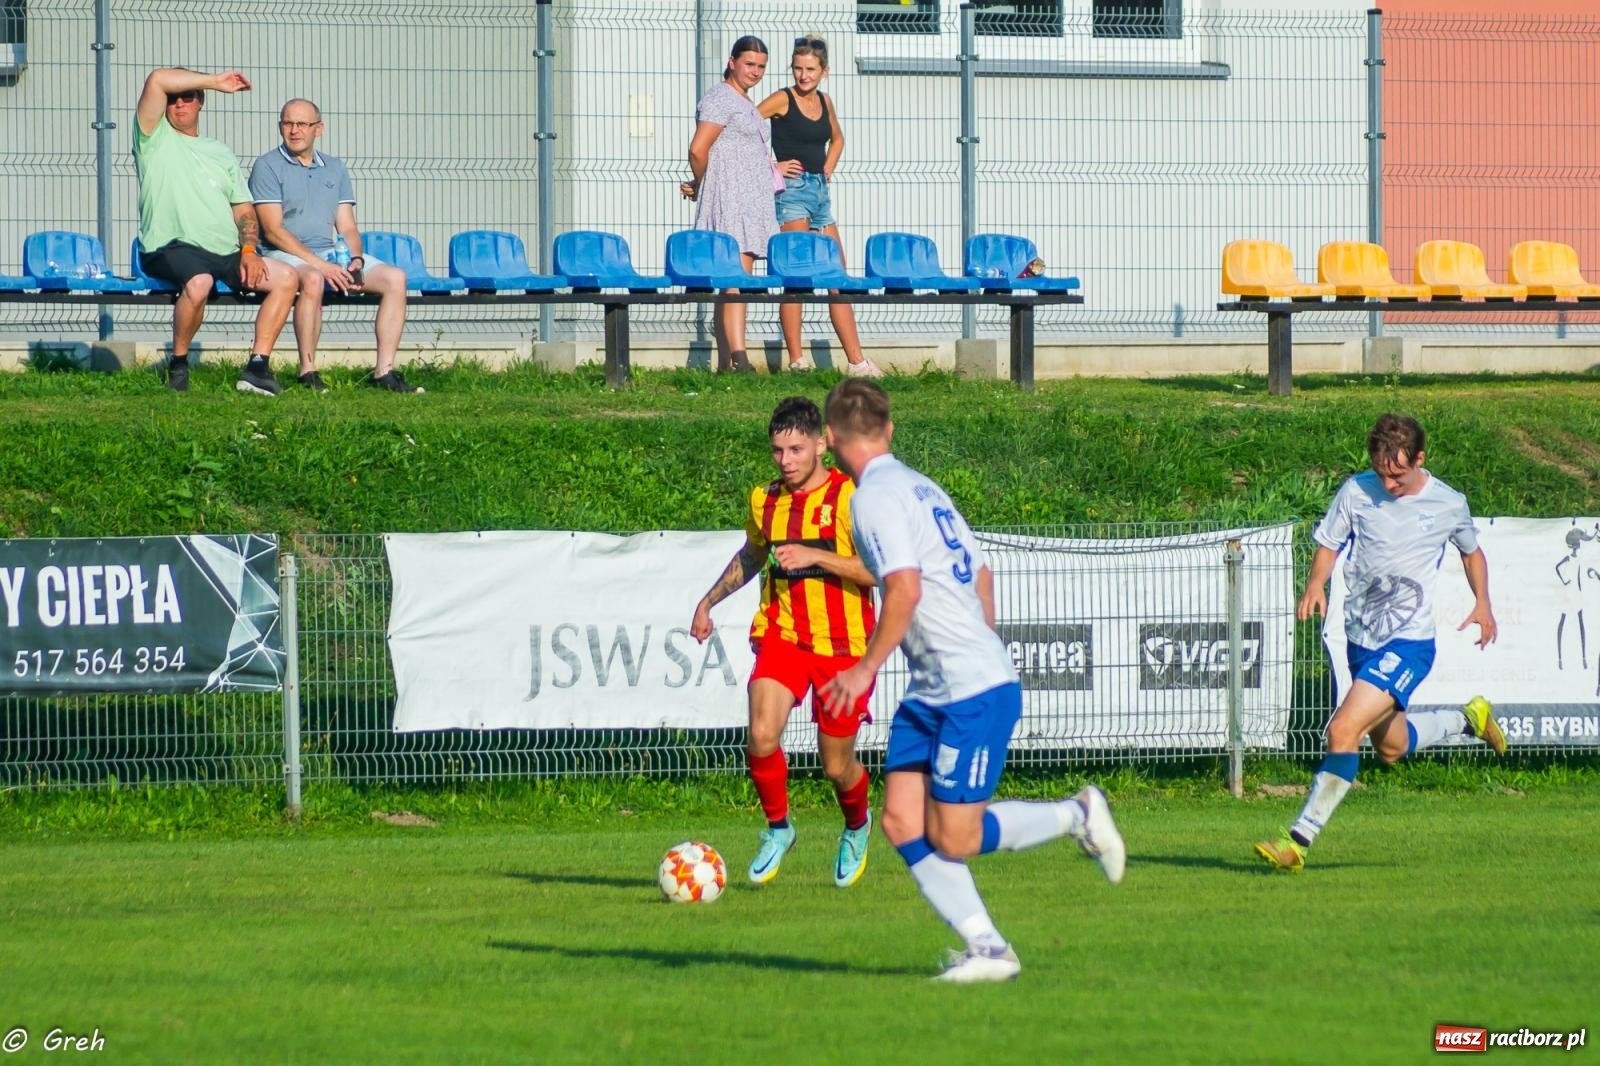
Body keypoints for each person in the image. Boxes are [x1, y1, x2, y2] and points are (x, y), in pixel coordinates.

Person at [817, 379, 1125, 983]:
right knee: (901, 821)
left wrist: (865, 668)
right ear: (889, 429)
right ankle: (989, 948)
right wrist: (975, 638)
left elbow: (904, 588)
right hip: (936, 688)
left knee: (954, 837)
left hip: (967, 689)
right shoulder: (922, 486)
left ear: (828, 438)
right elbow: (981, 573)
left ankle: (1078, 815)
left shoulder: (873, 497)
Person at [1255, 413, 1505, 873]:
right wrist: (1316, 583)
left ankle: (1298, 842)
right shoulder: (1356, 491)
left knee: (1342, 731)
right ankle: (1468, 719)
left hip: (1409, 643)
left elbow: (1472, 552)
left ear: (1420, 459)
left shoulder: (1448, 503)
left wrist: (1483, 603)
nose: (1388, 483)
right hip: (1362, 639)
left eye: (1398, 475)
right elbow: (1329, 544)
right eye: (1382, 473)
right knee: (1392, 749)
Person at [690, 396, 878, 888]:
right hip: (783, 634)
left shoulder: (852, 498)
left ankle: (857, 824)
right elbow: (752, 556)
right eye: (777, 450)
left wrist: (818, 557)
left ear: (821, 444)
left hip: (843, 646)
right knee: (760, 734)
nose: (786, 461)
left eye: (796, 450)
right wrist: (708, 602)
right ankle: (778, 828)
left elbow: (880, 570)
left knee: (836, 765)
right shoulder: (765, 500)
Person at [133, 68, 300, 395]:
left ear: (200, 103)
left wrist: (249, 251)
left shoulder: (220, 152)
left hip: (225, 250)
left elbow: (244, 210)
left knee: (287, 278)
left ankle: (257, 368)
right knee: (200, 283)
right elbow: (157, 80)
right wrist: (213, 81)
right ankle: (179, 365)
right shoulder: (152, 137)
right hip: (170, 246)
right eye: (173, 99)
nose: (179, 104)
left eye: (188, 97)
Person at [249, 98, 420, 394]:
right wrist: (321, 265)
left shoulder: (335, 168)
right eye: (288, 123)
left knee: (395, 278)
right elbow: (273, 231)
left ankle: (385, 372)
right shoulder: (267, 166)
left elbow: (348, 226)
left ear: (319, 128)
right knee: (314, 278)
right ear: (280, 127)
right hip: (282, 255)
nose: (294, 130)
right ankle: (308, 370)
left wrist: (356, 259)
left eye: (302, 124)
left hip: (327, 251)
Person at [759, 36, 882, 379]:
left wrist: (829, 165)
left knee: (837, 277)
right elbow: (744, 127)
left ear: (824, 71)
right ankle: (797, 360)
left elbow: (838, 137)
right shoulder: (782, 99)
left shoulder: (826, 101)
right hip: (792, 195)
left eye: (810, 69)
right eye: (798, 68)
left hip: (819, 194)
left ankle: (857, 362)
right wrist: (772, 166)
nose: (803, 75)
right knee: (797, 279)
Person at [681, 36, 779, 373]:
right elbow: (698, 149)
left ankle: (726, 363)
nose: (755, 71)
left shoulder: (744, 101)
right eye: (749, 64)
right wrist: (703, 183)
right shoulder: (720, 98)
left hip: (751, 201)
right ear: (732, 62)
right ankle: (740, 357)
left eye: (761, 66)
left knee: (734, 280)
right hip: (732, 200)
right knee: (736, 279)